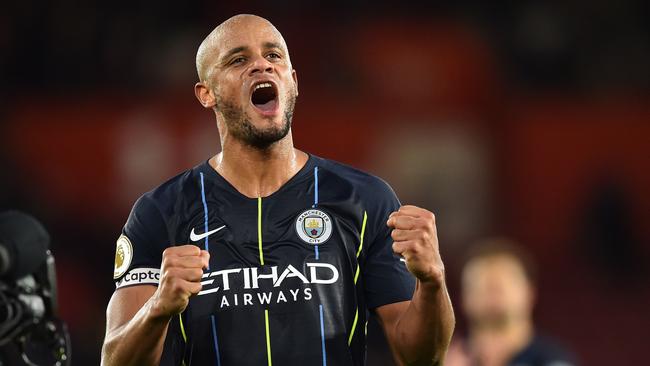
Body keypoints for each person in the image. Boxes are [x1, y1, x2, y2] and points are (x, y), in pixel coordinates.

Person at [100, 14, 454, 366]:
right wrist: (158, 308)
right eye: (238, 60)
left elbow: (421, 356)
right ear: (206, 93)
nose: (261, 66)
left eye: (273, 56)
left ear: (293, 81)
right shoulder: (159, 212)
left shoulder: (364, 199)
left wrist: (433, 281)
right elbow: (113, 360)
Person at [446, 238, 576, 366]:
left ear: (530, 294)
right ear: (463, 297)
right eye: (479, 283)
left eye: (506, 281)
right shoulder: (440, 357)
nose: (492, 288)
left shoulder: (553, 360)